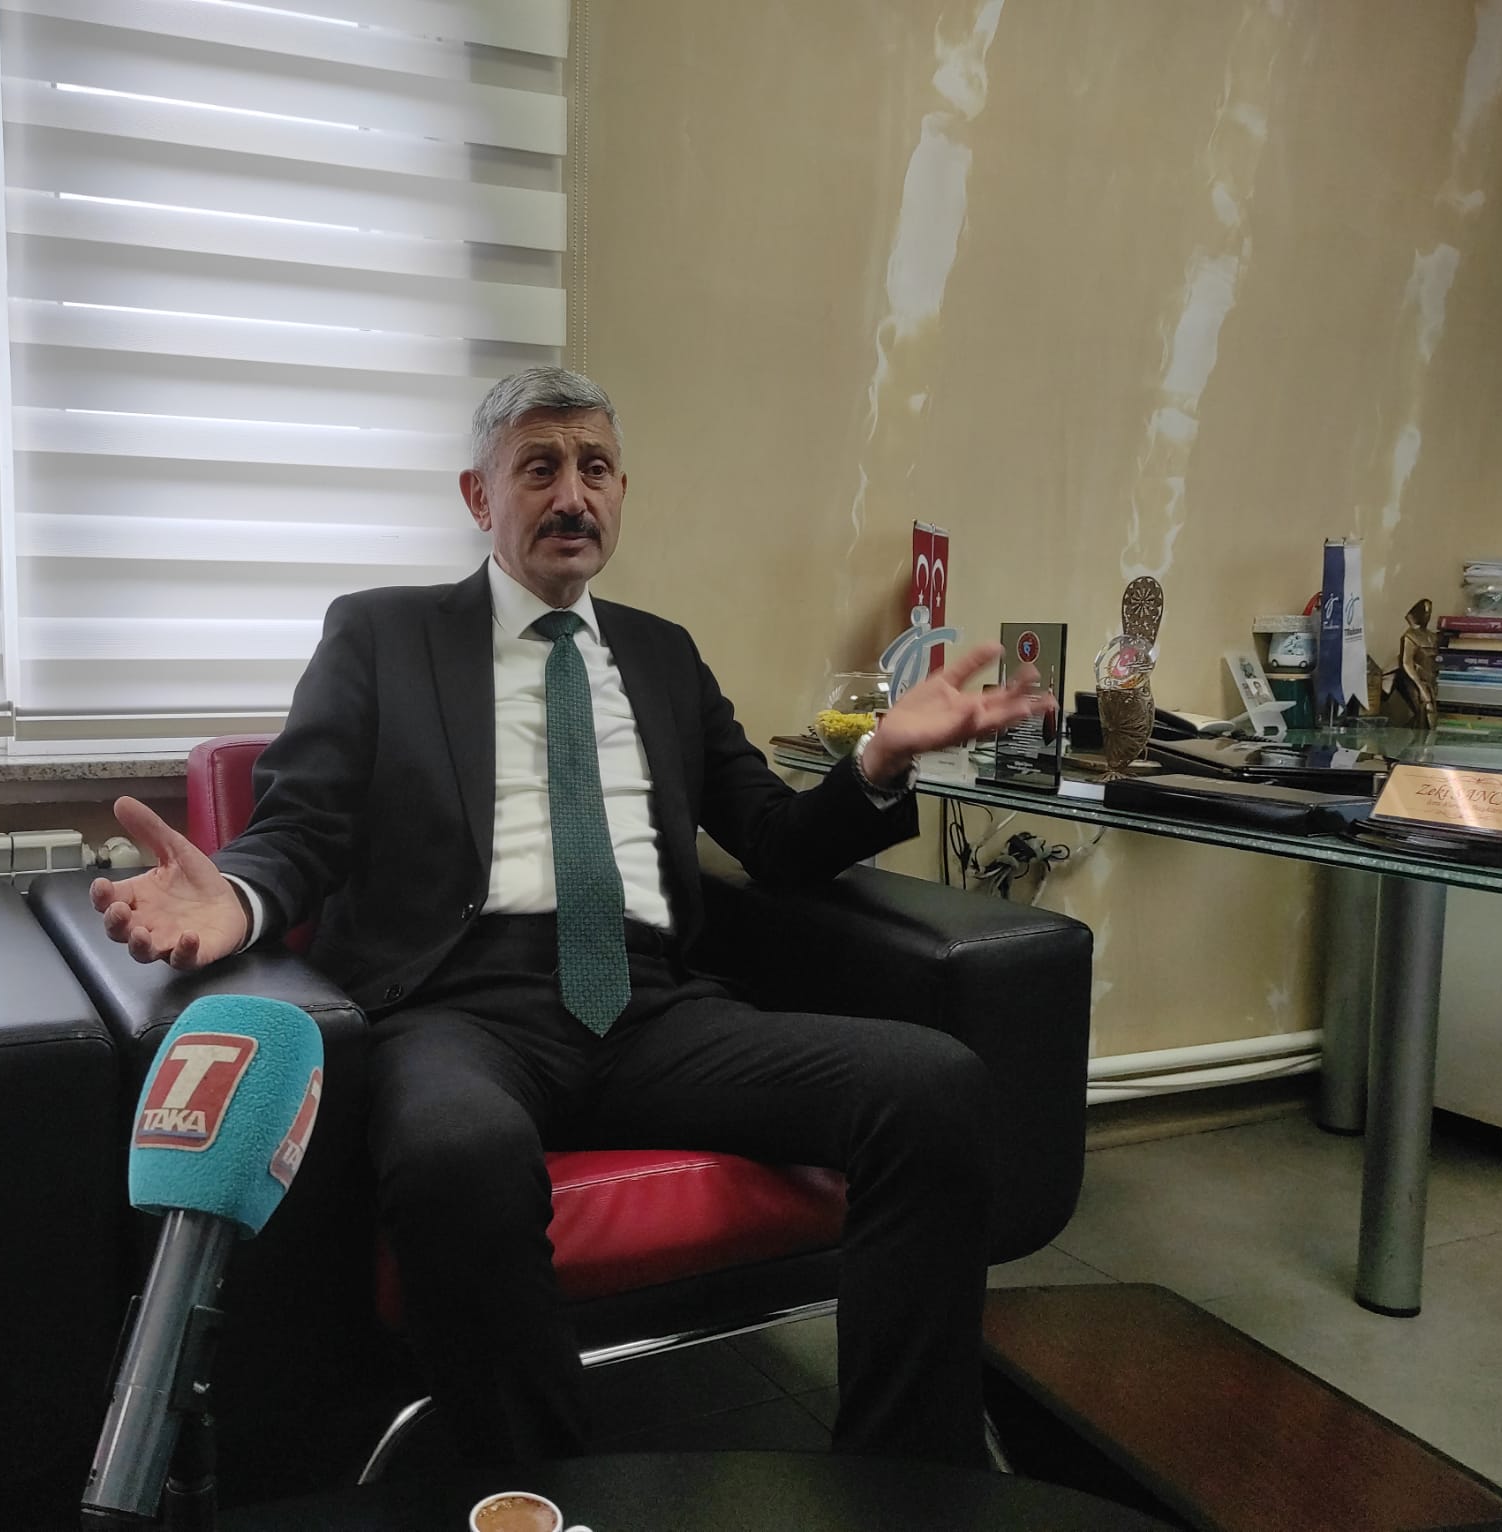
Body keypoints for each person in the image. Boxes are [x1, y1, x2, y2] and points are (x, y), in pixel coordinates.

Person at [91, 367, 1053, 1468]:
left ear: (621, 491)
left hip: (655, 1010)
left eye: (594, 469)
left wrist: (875, 764)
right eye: (538, 468)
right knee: (458, 1150)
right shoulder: (382, 635)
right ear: (478, 494)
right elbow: (301, 826)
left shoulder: (662, 653)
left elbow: (775, 841)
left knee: (933, 1086)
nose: (571, 496)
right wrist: (236, 895)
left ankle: (905, 1479)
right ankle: (540, 1493)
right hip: (457, 1009)